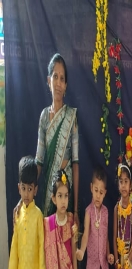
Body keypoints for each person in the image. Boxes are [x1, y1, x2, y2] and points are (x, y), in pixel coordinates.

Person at [36, 53, 79, 225]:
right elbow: (39, 160)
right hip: (49, 192)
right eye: (55, 77)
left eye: (62, 79)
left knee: (67, 239)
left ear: (66, 85)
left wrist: (75, 210)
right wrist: (28, 193)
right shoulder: (44, 117)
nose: (58, 83)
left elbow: (75, 163)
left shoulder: (71, 116)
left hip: (66, 194)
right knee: (48, 237)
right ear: (49, 81)